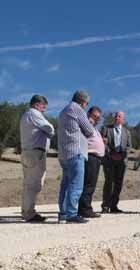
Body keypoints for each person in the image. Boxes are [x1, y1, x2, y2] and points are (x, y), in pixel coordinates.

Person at [57, 90, 96, 224]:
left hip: (63, 153)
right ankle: (72, 214)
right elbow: (90, 130)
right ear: (82, 101)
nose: (86, 105)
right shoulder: (77, 109)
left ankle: (62, 214)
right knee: (76, 184)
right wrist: (89, 123)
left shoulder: (63, 111)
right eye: (86, 102)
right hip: (76, 151)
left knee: (65, 184)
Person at [19, 95, 54, 222]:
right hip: (35, 153)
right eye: (43, 105)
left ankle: (27, 211)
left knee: (29, 184)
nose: (44, 108)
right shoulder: (34, 114)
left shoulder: (26, 115)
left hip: (28, 152)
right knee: (33, 184)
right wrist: (49, 132)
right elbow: (49, 128)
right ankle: (29, 213)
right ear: (37, 104)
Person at [101, 111, 131, 213]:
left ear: (123, 119)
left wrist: (121, 155)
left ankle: (114, 206)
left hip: (121, 161)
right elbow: (102, 143)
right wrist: (111, 154)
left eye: (119, 116)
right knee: (108, 183)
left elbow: (128, 146)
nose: (116, 117)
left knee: (118, 183)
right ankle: (105, 206)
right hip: (109, 160)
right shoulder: (106, 129)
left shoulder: (127, 132)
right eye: (116, 116)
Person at [77, 106, 104, 218]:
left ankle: (85, 207)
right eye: (94, 116)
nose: (96, 119)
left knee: (91, 184)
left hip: (96, 158)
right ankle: (85, 209)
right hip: (90, 156)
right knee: (89, 184)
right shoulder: (86, 125)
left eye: (98, 118)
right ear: (88, 114)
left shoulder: (94, 128)